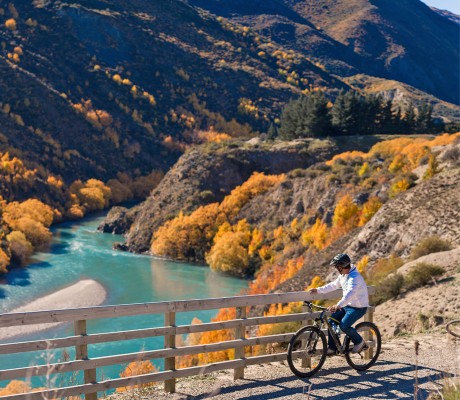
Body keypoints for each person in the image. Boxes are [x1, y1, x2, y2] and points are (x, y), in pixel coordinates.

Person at [308, 253, 369, 355]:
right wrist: (318, 290)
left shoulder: (354, 278)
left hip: (358, 308)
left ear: (341, 267)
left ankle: (359, 342)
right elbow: (333, 285)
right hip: (347, 306)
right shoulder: (343, 275)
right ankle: (333, 348)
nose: (336, 268)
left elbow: (350, 294)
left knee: (344, 326)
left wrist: (338, 305)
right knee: (332, 321)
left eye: (337, 266)